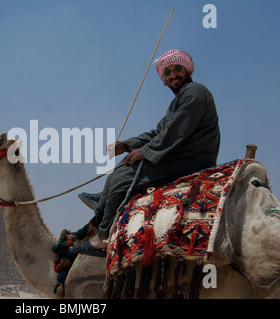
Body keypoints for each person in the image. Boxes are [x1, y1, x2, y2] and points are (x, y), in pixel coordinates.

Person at [70, 49, 220, 257]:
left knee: (123, 177)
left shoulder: (195, 92)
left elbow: (175, 132)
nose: (172, 75)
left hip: (191, 157)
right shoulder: (177, 101)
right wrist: (127, 145)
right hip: (179, 152)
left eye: (177, 69)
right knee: (125, 164)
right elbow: (159, 132)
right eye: (166, 73)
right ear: (163, 80)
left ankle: (103, 238)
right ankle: (104, 202)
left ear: (187, 69)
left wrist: (145, 152)